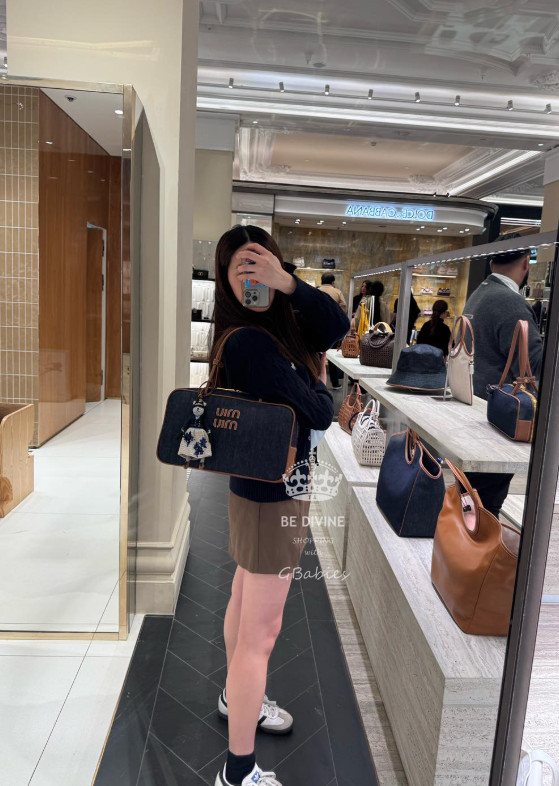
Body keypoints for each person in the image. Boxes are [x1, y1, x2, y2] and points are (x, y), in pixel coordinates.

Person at [208, 225, 349, 786]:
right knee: (261, 634)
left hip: (261, 489)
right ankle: (238, 771)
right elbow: (319, 412)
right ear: (224, 279)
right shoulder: (250, 343)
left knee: (245, 599)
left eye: (262, 264)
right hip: (272, 495)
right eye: (241, 268)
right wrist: (316, 382)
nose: (253, 278)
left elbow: (335, 327)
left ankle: (235, 696)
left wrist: (289, 284)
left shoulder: (277, 323)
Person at [463, 233, 543, 518]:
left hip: (478, 406)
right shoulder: (510, 303)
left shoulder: (479, 293)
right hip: (499, 416)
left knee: (472, 495)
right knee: (486, 502)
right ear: (526, 262)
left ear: (491, 262)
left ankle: (463, 540)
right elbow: (534, 365)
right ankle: (477, 545)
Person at [318, 272, 348, 390]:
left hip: (317, 327)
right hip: (333, 328)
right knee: (332, 356)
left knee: (316, 354)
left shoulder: (316, 290)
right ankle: (335, 383)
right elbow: (343, 307)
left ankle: (315, 380)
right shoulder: (337, 292)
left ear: (322, 281)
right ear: (333, 282)